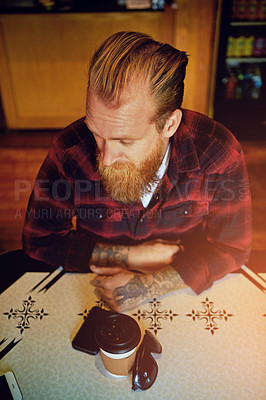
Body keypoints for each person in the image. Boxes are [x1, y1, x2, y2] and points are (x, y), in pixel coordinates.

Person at [22, 31, 251, 312]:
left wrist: (147, 284)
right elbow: (39, 240)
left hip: (181, 295)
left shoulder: (217, 153)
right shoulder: (69, 150)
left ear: (169, 125)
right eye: (96, 133)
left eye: (125, 141)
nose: (104, 159)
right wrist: (135, 256)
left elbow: (232, 249)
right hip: (94, 286)